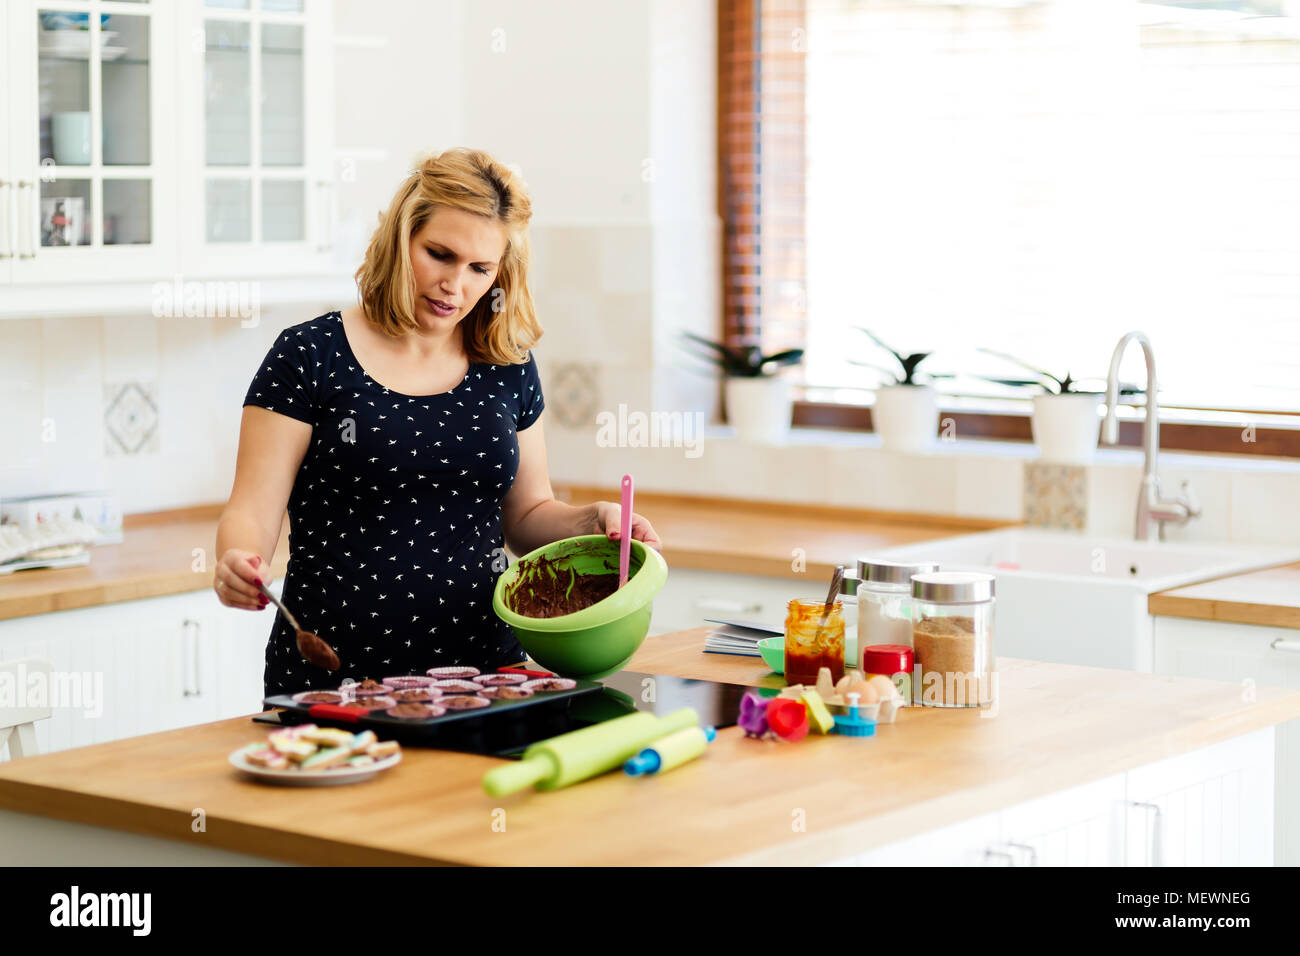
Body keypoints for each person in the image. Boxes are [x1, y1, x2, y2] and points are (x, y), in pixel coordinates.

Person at [214, 147, 661, 695]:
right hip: (336, 682)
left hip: (486, 681)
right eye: (440, 254)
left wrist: (591, 520)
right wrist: (238, 560)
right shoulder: (309, 355)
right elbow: (251, 510)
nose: (457, 285)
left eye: (480, 268)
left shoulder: (508, 365)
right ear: (400, 239)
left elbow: (525, 516)